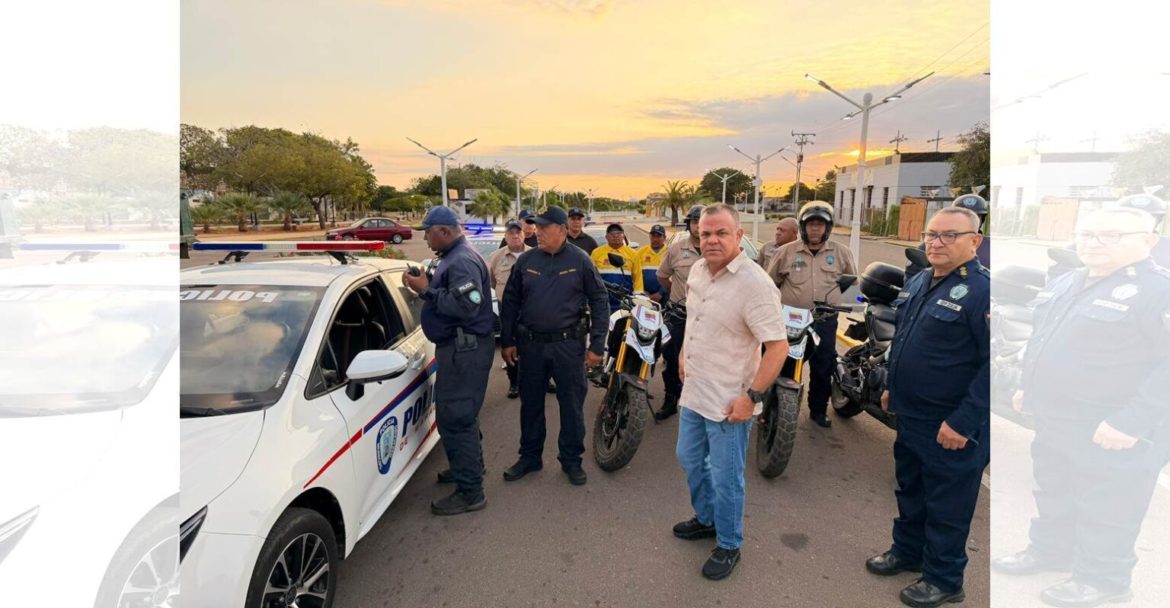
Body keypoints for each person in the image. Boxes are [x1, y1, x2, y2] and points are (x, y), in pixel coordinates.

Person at [992, 208, 1170, 607]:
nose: (1094, 243)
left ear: (1148, 241)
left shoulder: (1158, 291)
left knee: (1109, 505)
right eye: (1087, 234)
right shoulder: (1071, 279)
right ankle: (1051, 551)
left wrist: (1132, 421)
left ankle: (1104, 579)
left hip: (1113, 425)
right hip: (1058, 417)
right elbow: (1044, 336)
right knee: (1055, 489)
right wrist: (1028, 386)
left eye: (1111, 235)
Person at [866, 207, 990, 607]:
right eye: (931, 234)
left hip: (951, 423)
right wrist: (892, 387)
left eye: (949, 235)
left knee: (947, 506)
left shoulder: (983, 292)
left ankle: (944, 579)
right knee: (912, 490)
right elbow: (903, 338)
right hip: (912, 415)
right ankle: (908, 552)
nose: (936, 243)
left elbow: (996, 367)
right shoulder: (921, 278)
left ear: (975, 241)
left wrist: (963, 422)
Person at [671, 203, 787, 581]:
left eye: (721, 233)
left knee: (726, 477)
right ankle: (707, 519)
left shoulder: (755, 284)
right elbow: (695, 319)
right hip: (696, 391)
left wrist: (751, 398)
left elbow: (778, 347)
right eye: (705, 233)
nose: (712, 240)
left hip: (729, 402)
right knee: (689, 458)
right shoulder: (698, 271)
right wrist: (685, 353)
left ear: (739, 236)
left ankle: (729, 543)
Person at [499, 206, 610, 487]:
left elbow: (599, 301)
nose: (536, 232)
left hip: (568, 347)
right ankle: (529, 457)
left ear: (561, 230)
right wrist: (508, 340)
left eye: (543, 228)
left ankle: (571, 460)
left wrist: (597, 345)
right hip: (531, 347)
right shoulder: (526, 260)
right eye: (535, 227)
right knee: (531, 405)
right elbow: (510, 301)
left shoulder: (580, 260)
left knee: (571, 407)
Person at [403, 206, 497, 516]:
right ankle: (468, 468)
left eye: (428, 233)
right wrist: (429, 282)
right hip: (461, 348)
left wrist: (426, 292)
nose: (425, 239)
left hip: (465, 350)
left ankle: (470, 492)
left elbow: (468, 306)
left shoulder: (462, 260)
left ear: (444, 231)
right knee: (461, 416)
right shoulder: (453, 257)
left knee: (456, 418)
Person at [765, 201, 857, 428]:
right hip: (791, 320)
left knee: (823, 366)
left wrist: (838, 303)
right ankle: (775, 408)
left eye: (820, 224)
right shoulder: (786, 252)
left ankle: (818, 410)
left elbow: (850, 285)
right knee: (785, 362)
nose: (815, 229)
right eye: (811, 224)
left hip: (824, 321)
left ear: (828, 227)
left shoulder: (842, 253)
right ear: (803, 227)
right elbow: (769, 284)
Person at [1047, 193, 1170, 281]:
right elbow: (1057, 280)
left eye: (1149, 217)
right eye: (1127, 217)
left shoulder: (1167, 248)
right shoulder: (1086, 244)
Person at [654, 204, 703, 421]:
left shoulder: (719, 248)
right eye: (695, 222)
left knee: (707, 361)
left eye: (702, 222)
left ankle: (701, 404)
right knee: (672, 358)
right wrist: (677, 292)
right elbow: (663, 276)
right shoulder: (676, 249)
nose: (699, 226)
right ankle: (671, 399)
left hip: (710, 318)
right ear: (688, 224)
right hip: (679, 314)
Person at [486, 219, 530, 399]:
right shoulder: (496, 257)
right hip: (507, 309)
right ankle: (514, 383)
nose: (515, 236)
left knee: (537, 346)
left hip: (531, 309)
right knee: (510, 345)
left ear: (524, 234)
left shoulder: (534, 254)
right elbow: (491, 282)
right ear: (505, 236)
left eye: (518, 232)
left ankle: (544, 380)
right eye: (511, 233)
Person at [905, 194, 991, 281]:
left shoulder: (992, 246)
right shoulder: (931, 245)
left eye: (975, 216)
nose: (937, 244)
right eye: (961, 216)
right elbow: (912, 279)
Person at [591, 223, 643, 312]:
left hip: (625, 299)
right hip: (603, 298)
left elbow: (638, 276)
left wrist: (638, 296)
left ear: (623, 236)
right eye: (612, 234)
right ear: (606, 237)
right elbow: (591, 276)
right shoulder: (596, 253)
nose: (615, 236)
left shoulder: (633, 254)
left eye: (618, 233)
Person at [635, 224, 668, 302]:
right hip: (645, 296)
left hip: (665, 295)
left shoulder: (669, 252)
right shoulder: (641, 252)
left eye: (658, 236)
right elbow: (636, 274)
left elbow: (673, 277)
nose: (655, 239)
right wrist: (642, 292)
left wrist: (661, 293)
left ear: (664, 238)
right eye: (653, 236)